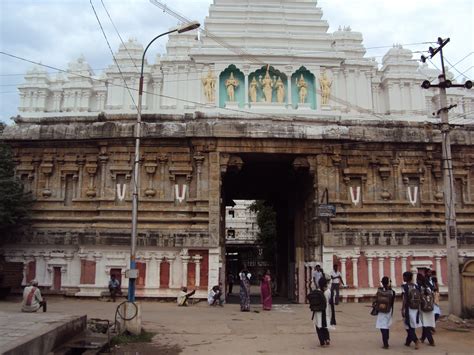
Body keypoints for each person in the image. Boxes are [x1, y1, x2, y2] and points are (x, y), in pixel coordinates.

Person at [401, 271, 421, 349]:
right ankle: (408, 341)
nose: (403, 278)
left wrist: (402, 309)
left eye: (404, 277)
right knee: (412, 325)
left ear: (406, 278)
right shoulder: (416, 286)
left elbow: (404, 299)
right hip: (416, 308)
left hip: (408, 308)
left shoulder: (404, 287)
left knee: (408, 325)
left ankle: (416, 340)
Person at [375, 276, 395, 349]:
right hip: (388, 311)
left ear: (382, 283)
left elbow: (376, 300)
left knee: (382, 327)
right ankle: (387, 339)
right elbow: (392, 303)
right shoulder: (392, 292)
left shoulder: (379, 291)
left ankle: (385, 343)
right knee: (386, 326)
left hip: (381, 311)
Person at [312, 277, 332, 347]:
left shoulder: (317, 291)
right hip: (326, 311)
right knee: (325, 326)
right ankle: (327, 339)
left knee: (318, 326)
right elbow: (332, 300)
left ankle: (322, 341)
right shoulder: (328, 291)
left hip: (318, 311)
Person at [417, 274, 436, 346]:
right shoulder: (428, 288)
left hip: (423, 308)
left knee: (425, 325)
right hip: (430, 308)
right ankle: (423, 338)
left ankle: (431, 341)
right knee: (426, 323)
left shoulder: (420, 288)